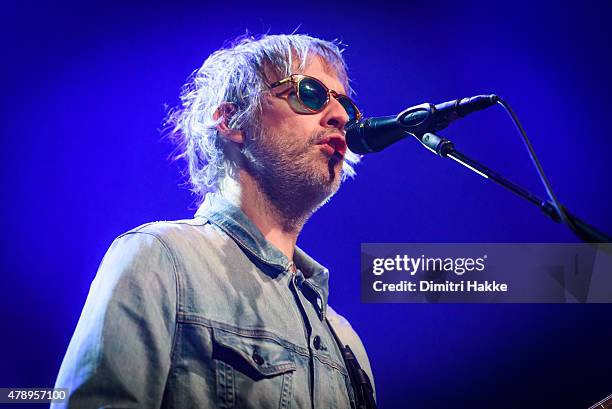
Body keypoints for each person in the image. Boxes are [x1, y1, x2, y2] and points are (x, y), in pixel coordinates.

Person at [53, 33, 376, 409]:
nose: (340, 117)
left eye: (346, 107)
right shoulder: (160, 259)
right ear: (232, 121)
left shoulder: (345, 340)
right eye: (310, 93)